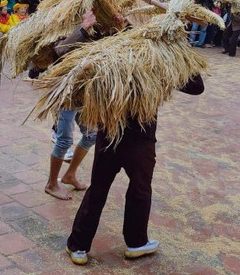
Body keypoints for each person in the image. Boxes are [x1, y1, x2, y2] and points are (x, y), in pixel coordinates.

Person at [66, 72, 205, 265]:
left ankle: (86, 244)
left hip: (123, 131)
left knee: (118, 188)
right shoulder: (115, 47)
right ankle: (128, 242)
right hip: (123, 131)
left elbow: (196, 86)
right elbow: (197, 85)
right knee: (124, 188)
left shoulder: (153, 54)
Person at [45, 12, 99, 201]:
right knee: (64, 140)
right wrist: (83, 28)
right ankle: (51, 184)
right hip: (65, 93)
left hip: (83, 92)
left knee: (92, 135)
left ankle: (70, 175)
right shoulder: (62, 20)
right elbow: (59, 50)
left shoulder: (98, 24)